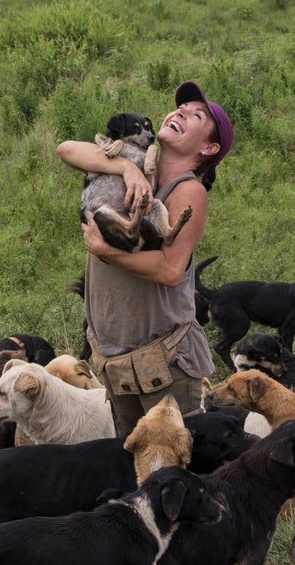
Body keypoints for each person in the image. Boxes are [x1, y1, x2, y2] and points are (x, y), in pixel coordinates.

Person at [56, 81, 232, 435]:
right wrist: (126, 168)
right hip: (116, 360)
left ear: (208, 147)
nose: (181, 111)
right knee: (131, 463)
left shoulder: (188, 190)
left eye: (196, 115)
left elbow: (169, 269)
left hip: (164, 364)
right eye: (180, 107)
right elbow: (66, 149)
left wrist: (105, 251)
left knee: (175, 471)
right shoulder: (128, 164)